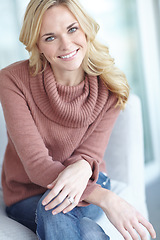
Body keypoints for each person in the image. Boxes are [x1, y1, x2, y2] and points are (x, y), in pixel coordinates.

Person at [0, 0, 156, 239]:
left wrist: (84, 166)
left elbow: (89, 154)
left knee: (53, 208)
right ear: (38, 46)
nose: (66, 45)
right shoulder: (12, 81)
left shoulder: (110, 87)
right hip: (28, 193)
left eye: (72, 29)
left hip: (88, 180)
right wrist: (107, 198)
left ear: (85, 29)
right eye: (50, 38)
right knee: (63, 215)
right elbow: (36, 164)